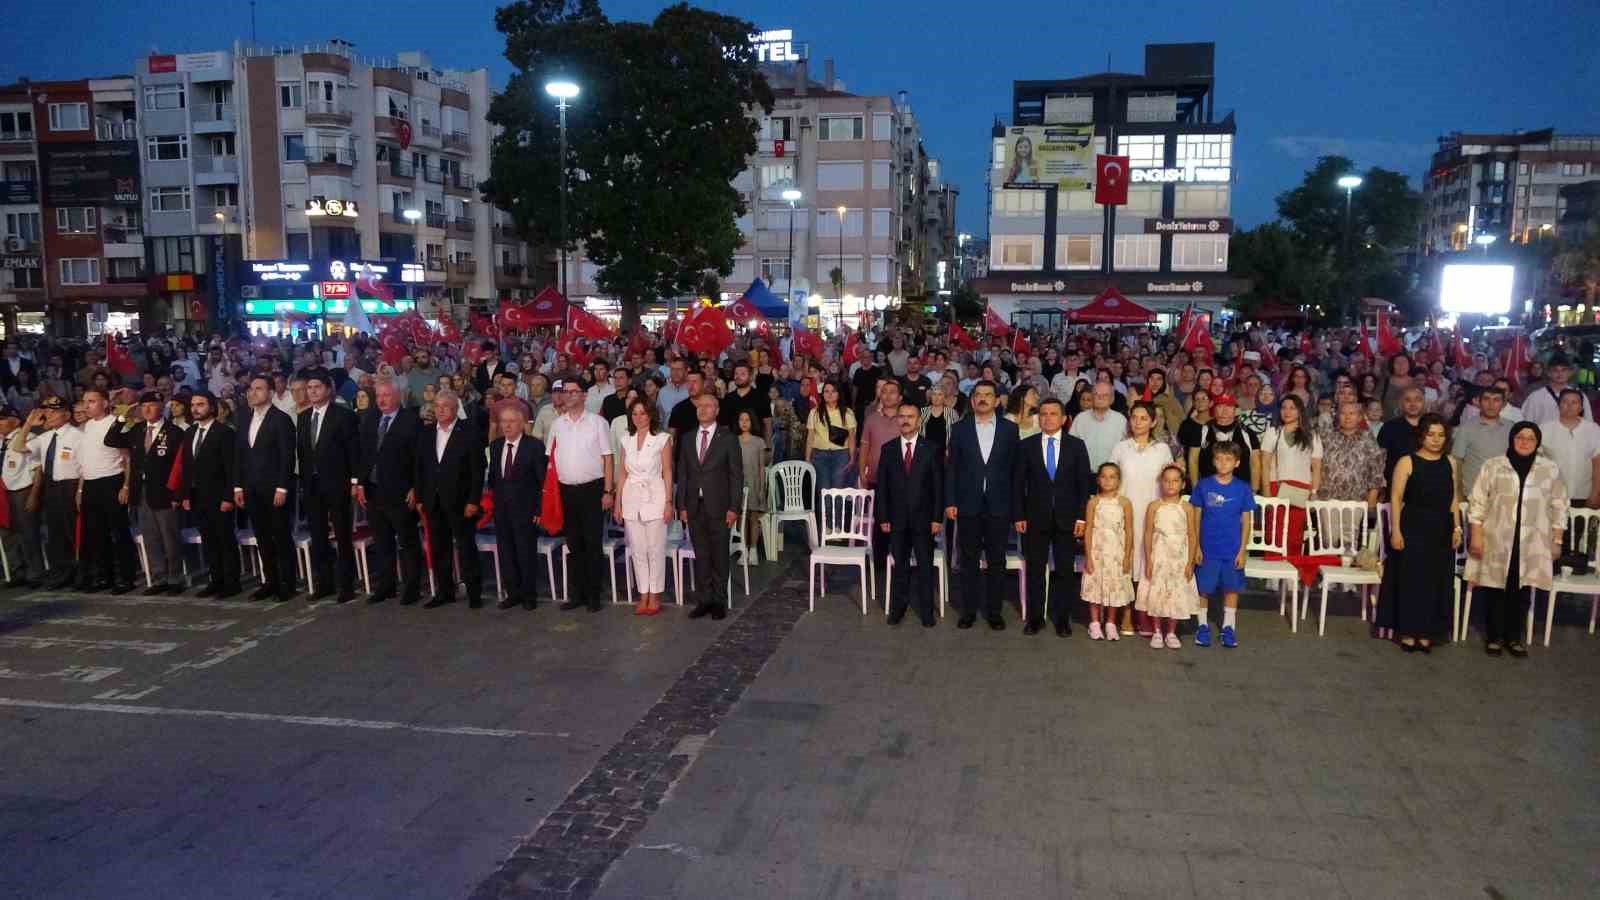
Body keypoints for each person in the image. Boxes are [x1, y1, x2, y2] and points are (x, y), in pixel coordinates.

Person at [1468, 422, 1567, 657]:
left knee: (1521, 590)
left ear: (1537, 442)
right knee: (1494, 588)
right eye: (1520, 437)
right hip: (1497, 538)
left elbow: (1560, 505)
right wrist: (1476, 536)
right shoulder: (1493, 465)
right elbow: (1478, 502)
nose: (1524, 442)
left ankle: (1514, 637)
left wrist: (1557, 540)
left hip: (1532, 540)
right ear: (1512, 439)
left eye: (1530, 438)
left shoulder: (1550, 469)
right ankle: (1493, 637)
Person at [1011, 397, 1092, 636]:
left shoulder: (1076, 445)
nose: (1047, 418)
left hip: (1068, 520)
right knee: (1035, 568)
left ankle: (1062, 619)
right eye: (1043, 414)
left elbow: (1083, 484)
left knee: (1065, 571)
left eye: (1053, 414)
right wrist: (1019, 514)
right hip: (1035, 518)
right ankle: (1035, 618)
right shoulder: (1027, 445)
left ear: (1064, 418)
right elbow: (1018, 483)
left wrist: (1081, 518)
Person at [1382, 413, 1460, 653]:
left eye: (1441, 435)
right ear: (1422, 436)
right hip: (1413, 525)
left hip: (1441, 528)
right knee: (1411, 580)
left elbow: (1454, 497)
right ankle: (1407, 632)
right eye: (1431, 434)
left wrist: (1457, 527)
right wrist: (1395, 530)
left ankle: (1428, 632)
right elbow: (1395, 497)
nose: (1436, 440)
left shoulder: (1451, 463)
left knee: (1436, 581)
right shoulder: (1407, 461)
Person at [947, 380, 1021, 631]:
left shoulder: (1010, 430)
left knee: (996, 560)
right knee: (968, 561)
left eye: (988, 395)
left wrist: (1015, 505)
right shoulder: (959, 429)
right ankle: (967, 611)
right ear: (971, 400)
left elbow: (1015, 471)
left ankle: (994, 612)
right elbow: (952, 469)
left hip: (999, 506)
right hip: (968, 504)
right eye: (978, 395)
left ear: (997, 400)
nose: (982, 399)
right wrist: (951, 501)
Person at [103, 391, 186, 595]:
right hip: (141, 492)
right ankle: (159, 579)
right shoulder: (137, 429)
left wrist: (178, 494)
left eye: (152, 404)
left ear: (161, 406)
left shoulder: (174, 432)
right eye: (143, 405)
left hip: (165, 493)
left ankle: (175, 578)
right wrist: (123, 417)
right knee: (150, 538)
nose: (147, 409)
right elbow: (111, 439)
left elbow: (181, 467)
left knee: (170, 538)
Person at [874, 401, 944, 627]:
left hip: (924, 520)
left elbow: (937, 487)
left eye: (910, 416)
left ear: (919, 420)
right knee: (900, 567)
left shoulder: (931, 449)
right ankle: (898, 609)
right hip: (896, 520)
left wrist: (936, 518)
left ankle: (926, 612)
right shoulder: (888, 449)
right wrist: (883, 517)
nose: (905, 420)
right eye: (902, 416)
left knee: (925, 566)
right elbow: (882, 487)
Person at [415, 389, 486, 608]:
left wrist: (473, 500)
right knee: (438, 548)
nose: (441, 410)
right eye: (437, 406)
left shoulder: (469, 432)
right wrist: (420, 497)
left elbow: (478, 469)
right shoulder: (426, 433)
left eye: (446, 406)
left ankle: (475, 594)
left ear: (455, 409)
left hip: (461, 502)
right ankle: (445, 592)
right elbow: (420, 468)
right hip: (433, 501)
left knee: (466, 548)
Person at [675, 393, 743, 620]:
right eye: (699, 406)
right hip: (694, 507)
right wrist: (682, 505)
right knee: (701, 555)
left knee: (720, 555)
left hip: (720, 506)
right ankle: (704, 600)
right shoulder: (687, 438)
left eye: (708, 406)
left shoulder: (728, 438)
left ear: (716, 410)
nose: (702, 409)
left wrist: (734, 507)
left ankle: (719, 601)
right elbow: (682, 474)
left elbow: (736, 476)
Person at [356, 376, 423, 605]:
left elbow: (419, 458)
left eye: (386, 395)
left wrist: (416, 487)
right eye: (379, 396)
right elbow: (364, 455)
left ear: (397, 396)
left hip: (401, 491)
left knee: (407, 541)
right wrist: (361, 484)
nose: (381, 400)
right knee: (382, 541)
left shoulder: (410, 421)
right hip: (375, 491)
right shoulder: (370, 419)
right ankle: (387, 586)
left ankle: (412, 586)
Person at [550, 378, 615, 612]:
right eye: (564, 392)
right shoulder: (558, 424)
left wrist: (608, 490)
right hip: (566, 491)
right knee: (573, 544)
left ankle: (593, 596)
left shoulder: (598, 423)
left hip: (592, 489)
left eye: (573, 392)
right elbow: (551, 459)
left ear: (584, 396)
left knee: (592, 544)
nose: (568, 395)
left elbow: (608, 457)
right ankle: (576, 594)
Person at [296, 369, 361, 603]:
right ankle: (325, 583)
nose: (312, 392)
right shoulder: (303, 418)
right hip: (312, 485)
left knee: (342, 534)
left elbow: (353, 452)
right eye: (309, 388)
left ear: (328, 389)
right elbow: (303, 454)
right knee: (318, 534)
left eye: (317, 387)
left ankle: (346, 585)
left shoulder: (342, 416)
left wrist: (355, 481)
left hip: (337, 483)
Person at [1111, 401, 1173, 636]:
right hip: (1126, 513)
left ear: (1153, 422)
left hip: (1152, 513)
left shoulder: (1162, 449)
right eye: (1134, 417)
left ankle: (1145, 613)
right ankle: (1126, 612)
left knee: (1148, 563)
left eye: (1143, 418)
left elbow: (1169, 482)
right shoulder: (1120, 448)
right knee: (1126, 561)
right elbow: (1111, 480)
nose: (1137, 422)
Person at [235, 376, 297, 602]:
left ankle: (287, 583)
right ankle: (269, 580)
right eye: (251, 389)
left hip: (274, 488)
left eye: (259, 389)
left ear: (270, 393)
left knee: (280, 536)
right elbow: (239, 455)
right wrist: (237, 486)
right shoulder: (243, 418)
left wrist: (282, 487)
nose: (253, 393)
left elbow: (286, 456)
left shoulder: (281, 419)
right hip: (251, 489)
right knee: (261, 536)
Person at [1189, 441, 1256, 648]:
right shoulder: (1204, 485)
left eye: (1228, 459)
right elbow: (1196, 519)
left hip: (1232, 549)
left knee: (1231, 588)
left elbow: (1246, 522)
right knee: (1203, 588)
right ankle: (1202, 626)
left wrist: (1242, 550)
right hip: (1208, 548)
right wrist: (1197, 547)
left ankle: (1228, 628)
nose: (1223, 463)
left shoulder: (1243, 488)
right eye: (1218, 458)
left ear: (1237, 463)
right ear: (1213, 461)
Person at [178, 391, 240, 598]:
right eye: (193, 405)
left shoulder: (224, 432)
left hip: (219, 496)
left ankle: (232, 583)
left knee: (224, 539)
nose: (195, 408)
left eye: (201, 404)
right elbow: (187, 467)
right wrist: (185, 494)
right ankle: (216, 580)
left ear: (212, 407)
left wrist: (228, 497)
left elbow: (231, 468)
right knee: (208, 540)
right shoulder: (189, 432)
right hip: (197, 496)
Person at [487, 400, 547, 611]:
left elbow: (543, 481)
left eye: (512, 421)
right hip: (502, 509)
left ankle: (529, 595)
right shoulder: (495, 446)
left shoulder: (534, 446)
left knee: (526, 553)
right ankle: (513, 593)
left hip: (526, 510)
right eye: (504, 422)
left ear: (522, 424)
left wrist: (540, 509)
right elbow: (493, 479)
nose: (507, 425)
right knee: (506, 552)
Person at [76, 388, 137, 593]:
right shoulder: (85, 427)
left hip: (112, 481)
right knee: (96, 533)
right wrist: (81, 490)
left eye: (92, 401)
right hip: (91, 484)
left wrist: (126, 485)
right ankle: (105, 576)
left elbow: (128, 459)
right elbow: (84, 462)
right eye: (85, 401)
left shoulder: (116, 423)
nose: (87, 405)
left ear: (104, 403)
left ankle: (126, 577)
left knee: (119, 532)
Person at [616, 399, 673, 616]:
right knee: (638, 550)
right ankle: (643, 594)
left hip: (655, 495)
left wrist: (668, 502)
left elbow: (667, 471)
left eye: (643, 413)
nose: (639, 417)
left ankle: (655, 594)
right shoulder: (626, 440)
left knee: (655, 549)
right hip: (631, 497)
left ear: (651, 415)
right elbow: (622, 473)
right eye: (635, 414)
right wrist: (619, 503)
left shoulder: (662, 439)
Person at [1137, 465, 1200, 649]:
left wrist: (1190, 563)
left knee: (1175, 592)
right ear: (1160, 483)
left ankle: (1171, 631)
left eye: (1175, 480)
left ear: (1182, 484)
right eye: (1166, 480)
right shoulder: (1154, 506)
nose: (1170, 484)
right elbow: (1148, 533)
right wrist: (1148, 560)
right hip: (1159, 555)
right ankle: (1157, 630)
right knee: (1157, 592)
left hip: (1179, 557)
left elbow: (1192, 535)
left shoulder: (1187, 507)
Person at [1261, 394, 1323, 555]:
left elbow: (1316, 468)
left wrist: (1314, 492)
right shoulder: (1273, 432)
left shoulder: (1312, 436)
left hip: (1301, 489)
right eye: (1283, 408)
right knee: (1274, 533)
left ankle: (1291, 576)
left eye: (1292, 408)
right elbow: (1265, 465)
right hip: (1277, 486)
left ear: (1300, 411)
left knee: (1294, 536)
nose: (1287, 411)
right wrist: (1267, 492)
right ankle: (1272, 577)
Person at [1081, 462, 1134, 640]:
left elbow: (1129, 530)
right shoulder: (1093, 502)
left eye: (1112, 477)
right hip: (1097, 552)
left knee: (1115, 587)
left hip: (1116, 553)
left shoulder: (1125, 503)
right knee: (1095, 587)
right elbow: (1088, 529)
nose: (1107, 480)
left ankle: (1111, 622)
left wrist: (1127, 556)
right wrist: (1088, 555)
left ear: (1119, 481)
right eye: (1103, 476)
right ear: (1098, 479)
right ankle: (1094, 623)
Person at [0, 405, 43, 587]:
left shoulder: (28, 438)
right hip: (3, 493)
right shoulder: (0, 441)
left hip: (22, 491)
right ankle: (16, 571)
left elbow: (37, 470)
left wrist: (34, 495)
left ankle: (35, 573)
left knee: (28, 533)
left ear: (15, 420)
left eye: (2, 419)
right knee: (7, 534)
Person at [1537, 388, 1600, 512]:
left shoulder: (1594, 429)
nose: (1569, 406)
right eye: (1565, 402)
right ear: (1558, 405)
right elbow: (1537, 465)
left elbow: (1598, 464)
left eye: (1574, 402)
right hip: (1552, 495)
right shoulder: (1544, 429)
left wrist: (1595, 493)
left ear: (1581, 407)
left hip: (1584, 494)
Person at [1190, 393, 1261, 493]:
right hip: (1209, 490)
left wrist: (1254, 490)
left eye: (1229, 406)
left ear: (1235, 410)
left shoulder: (1248, 433)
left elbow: (1255, 463)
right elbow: (1193, 460)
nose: (1224, 410)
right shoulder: (1202, 431)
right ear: (1214, 409)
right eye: (1220, 406)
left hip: (1240, 490)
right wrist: (1195, 487)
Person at [805, 380, 855, 501]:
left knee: (838, 492)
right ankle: (824, 520)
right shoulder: (814, 412)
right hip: (820, 455)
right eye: (826, 391)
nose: (830, 394)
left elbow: (852, 437)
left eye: (833, 391)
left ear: (839, 393)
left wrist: (852, 457)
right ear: (822, 394)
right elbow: (810, 437)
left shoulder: (847, 412)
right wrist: (807, 458)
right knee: (823, 491)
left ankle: (838, 520)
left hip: (840, 455)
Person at [1068, 382, 1129, 469]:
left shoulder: (1121, 420)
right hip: (1085, 473)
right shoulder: (1080, 419)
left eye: (1105, 395)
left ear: (1112, 399)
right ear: (1092, 397)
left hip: (1111, 476)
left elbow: (1126, 450)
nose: (1100, 397)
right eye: (1097, 394)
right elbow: (1071, 447)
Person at [1520, 355, 1593, 425]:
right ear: (1548, 373)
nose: (1560, 373)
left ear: (1570, 373)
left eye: (1564, 370)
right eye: (1555, 370)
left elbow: (1588, 423)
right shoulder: (1536, 397)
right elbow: (1526, 424)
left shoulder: (1580, 396)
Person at [735, 410, 768, 555]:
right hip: (740, 483)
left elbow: (762, 467)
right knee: (742, 516)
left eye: (747, 420)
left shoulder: (759, 442)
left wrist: (761, 488)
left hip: (754, 483)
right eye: (741, 419)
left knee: (754, 516)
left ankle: (753, 549)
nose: (744, 422)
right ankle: (744, 549)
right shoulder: (734, 441)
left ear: (752, 422)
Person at [1377, 387, 1425, 484]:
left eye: (1417, 399)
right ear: (1401, 404)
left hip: (1426, 484)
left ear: (1424, 403)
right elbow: (1379, 459)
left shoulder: (1432, 427)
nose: (1413, 404)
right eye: (1408, 400)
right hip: (1395, 483)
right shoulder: (1389, 427)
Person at [1176, 388, 1213, 486]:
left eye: (1204, 399)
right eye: (1197, 399)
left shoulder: (1215, 424)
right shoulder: (1186, 425)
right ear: (1193, 403)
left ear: (1211, 403)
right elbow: (1181, 449)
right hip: (1191, 473)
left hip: (1213, 473)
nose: (1200, 402)